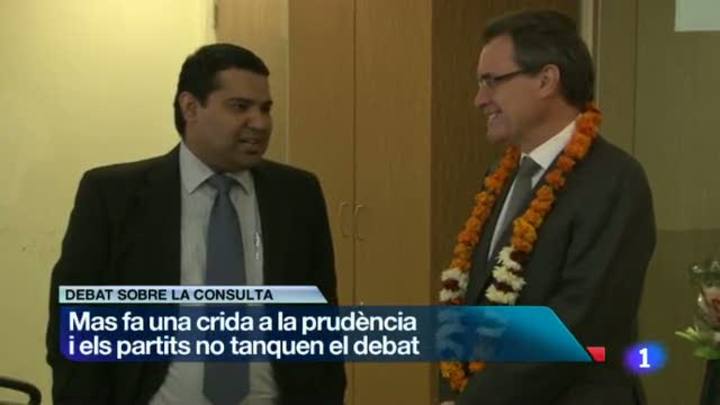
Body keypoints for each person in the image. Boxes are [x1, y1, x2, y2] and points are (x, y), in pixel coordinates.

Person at [46, 43, 345, 405]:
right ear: (190, 107)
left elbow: (322, 321)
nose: (260, 123)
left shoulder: (297, 195)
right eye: (240, 107)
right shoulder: (113, 196)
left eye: (265, 109)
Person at [438, 10, 656, 405]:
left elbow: (576, 324)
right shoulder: (500, 176)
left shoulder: (614, 180)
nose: (480, 99)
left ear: (546, 80)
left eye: (492, 81)